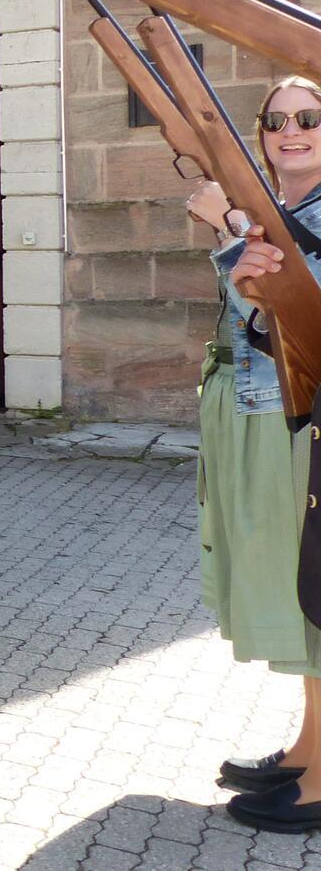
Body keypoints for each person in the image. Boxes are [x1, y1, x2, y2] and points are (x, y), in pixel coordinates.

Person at [192, 76, 321, 834]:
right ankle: (311, 746)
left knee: (314, 594)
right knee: (297, 589)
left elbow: (294, 309)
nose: (291, 130)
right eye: (276, 121)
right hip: (266, 414)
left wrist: (234, 229)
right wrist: (241, 231)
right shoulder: (288, 210)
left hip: (300, 424)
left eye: (309, 118)